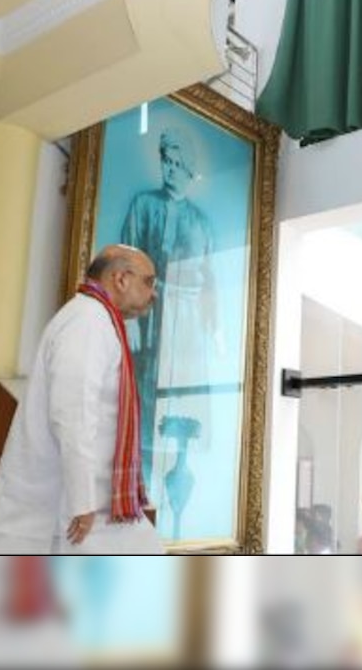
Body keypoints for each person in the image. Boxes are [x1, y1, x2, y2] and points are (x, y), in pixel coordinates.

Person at [0, 244, 164, 554]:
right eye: (148, 281)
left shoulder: (98, 320)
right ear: (120, 279)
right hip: (74, 509)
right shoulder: (87, 322)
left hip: (98, 506)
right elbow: (72, 414)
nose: (153, 293)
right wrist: (83, 502)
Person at [120, 127, 219, 496]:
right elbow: (124, 264)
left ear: (190, 171)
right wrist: (128, 317)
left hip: (189, 322)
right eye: (167, 161)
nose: (172, 169)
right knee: (147, 393)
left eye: (179, 164)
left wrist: (216, 328)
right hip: (151, 316)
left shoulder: (202, 223)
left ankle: (176, 477)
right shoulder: (143, 205)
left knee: (183, 400)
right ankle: (140, 477)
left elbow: (210, 279)